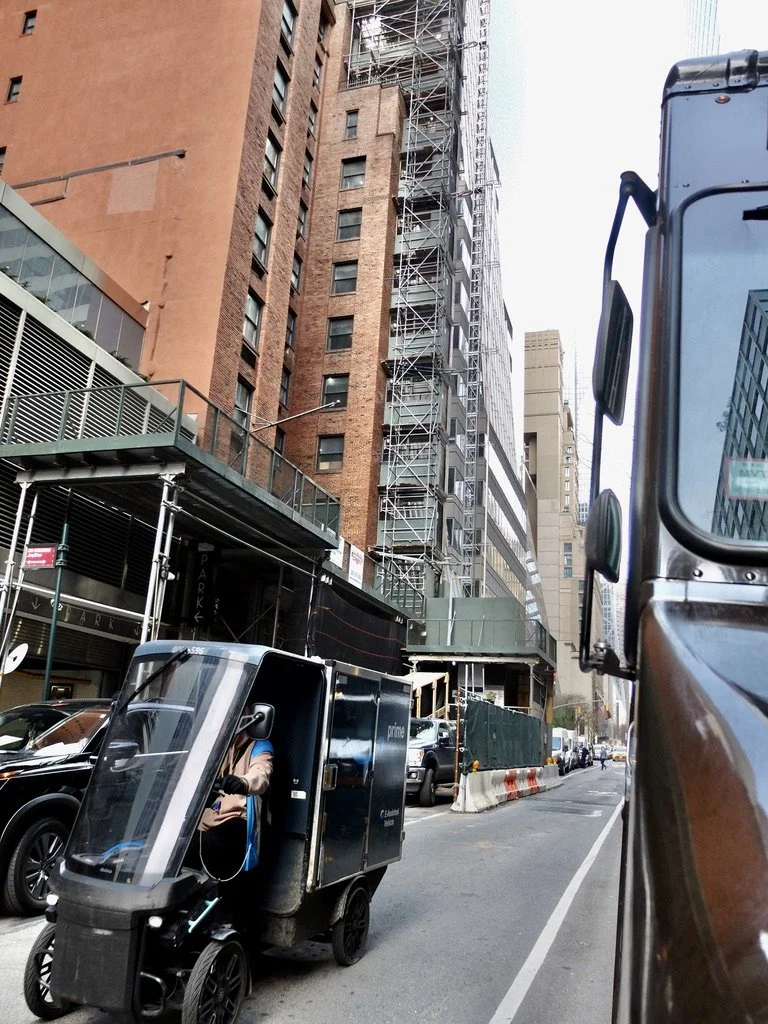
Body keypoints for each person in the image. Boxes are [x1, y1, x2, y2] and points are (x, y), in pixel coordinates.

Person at [199, 703, 274, 882]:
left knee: (214, 842)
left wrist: (243, 782)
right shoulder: (218, 745)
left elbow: (261, 773)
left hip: (238, 817)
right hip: (209, 815)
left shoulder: (259, 745)